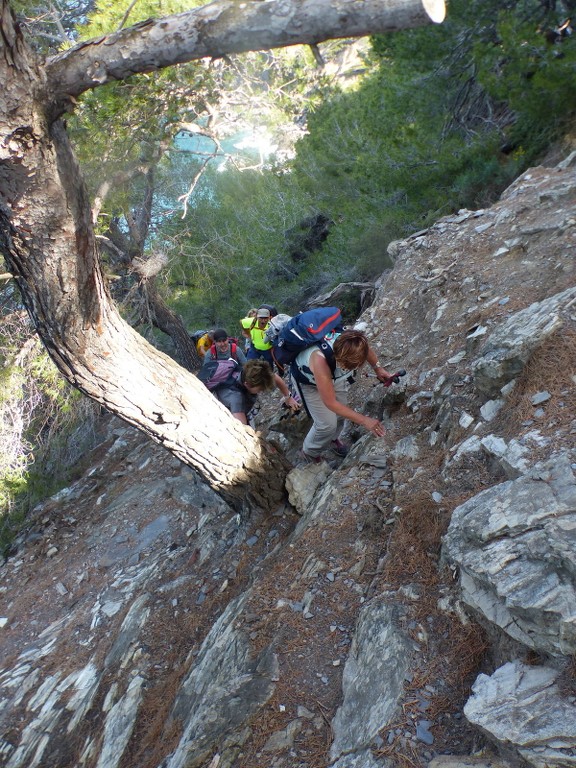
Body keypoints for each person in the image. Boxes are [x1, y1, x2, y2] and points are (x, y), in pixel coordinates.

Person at [292, 329, 391, 462]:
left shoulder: (355, 344)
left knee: (341, 413)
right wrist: (364, 420)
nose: (348, 368)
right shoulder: (319, 360)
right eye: (345, 365)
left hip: (333, 377)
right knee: (326, 424)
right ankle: (309, 452)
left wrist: (378, 368)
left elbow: (367, 350)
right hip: (308, 382)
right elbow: (330, 403)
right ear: (337, 356)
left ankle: (333, 440)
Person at [214, 358, 300, 425]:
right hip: (225, 412)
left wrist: (288, 397)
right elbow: (242, 429)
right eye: (260, 389)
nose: (261, 392)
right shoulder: (237, 399)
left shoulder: (248, 372)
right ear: (247, 384)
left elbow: (274, 377)